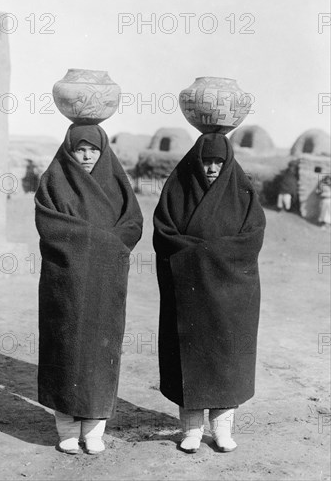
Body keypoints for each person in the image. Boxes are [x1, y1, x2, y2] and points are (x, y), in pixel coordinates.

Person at [153, 133, 266, 454]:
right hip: (187, 291)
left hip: (231, 293)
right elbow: (164, 233)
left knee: (226, 358)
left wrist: (206, 253)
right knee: (188, 359)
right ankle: (190, 428)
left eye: (218, 161)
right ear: (196, 162)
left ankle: (221, 428)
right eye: (206, 161)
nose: (212, 168)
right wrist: (203, 254)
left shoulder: (242, 192)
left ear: (227, 162)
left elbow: (252, 237)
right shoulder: (177, 189)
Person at [35, 124, 143, 455]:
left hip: (105, 282)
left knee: (101, 351)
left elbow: (133, 225)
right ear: (69, 149)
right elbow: (49, 224)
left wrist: (102, 245)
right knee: (65, 349)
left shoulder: (116, 183)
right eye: (80, 149)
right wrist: (99, 239)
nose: (86, 155)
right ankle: (67, 428)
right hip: (64, 280)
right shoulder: (53, 179)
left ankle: (95, 429)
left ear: (103, 151)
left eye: (92, 150)